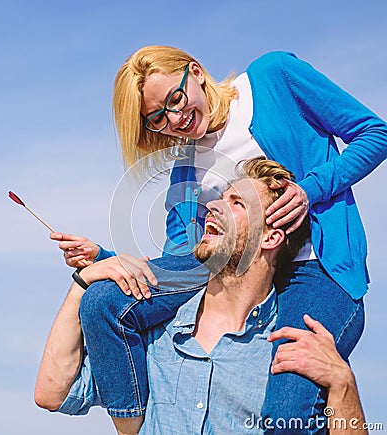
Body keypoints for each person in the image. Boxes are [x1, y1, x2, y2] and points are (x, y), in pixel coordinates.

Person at [50, 47, 387, 434]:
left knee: (286, 411)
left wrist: (311, 189)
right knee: (104, 300)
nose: (175, 120)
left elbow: (375, 133)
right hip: (231, 275)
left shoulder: (273, 78)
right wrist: (106, 258)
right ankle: (137, 427)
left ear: (195, 71)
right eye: (157, 119)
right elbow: (179, 262)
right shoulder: (185, 173)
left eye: (175, 100)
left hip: (313, 269)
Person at [36, 158, 368, 434]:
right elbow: (53, 393)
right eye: (221, 198)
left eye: (237, 203)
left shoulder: (296, 349)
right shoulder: (153, 330)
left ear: (271, 237)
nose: (213, 206)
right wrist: (81, 285)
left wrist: (343, 386)